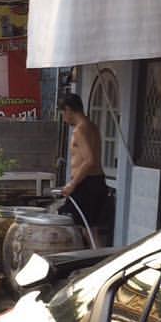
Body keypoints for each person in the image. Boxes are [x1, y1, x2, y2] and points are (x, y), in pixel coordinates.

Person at [58, 92, 107, 243]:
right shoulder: (92, 126)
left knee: (84, 228)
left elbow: (89, 160)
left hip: (86, 183)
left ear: (68, 109)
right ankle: (96, 255)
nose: (64, 119)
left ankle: (93, 257)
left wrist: (72, 184)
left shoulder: (79, 130)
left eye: (62, 114)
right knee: (90, 229)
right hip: (96, 181)